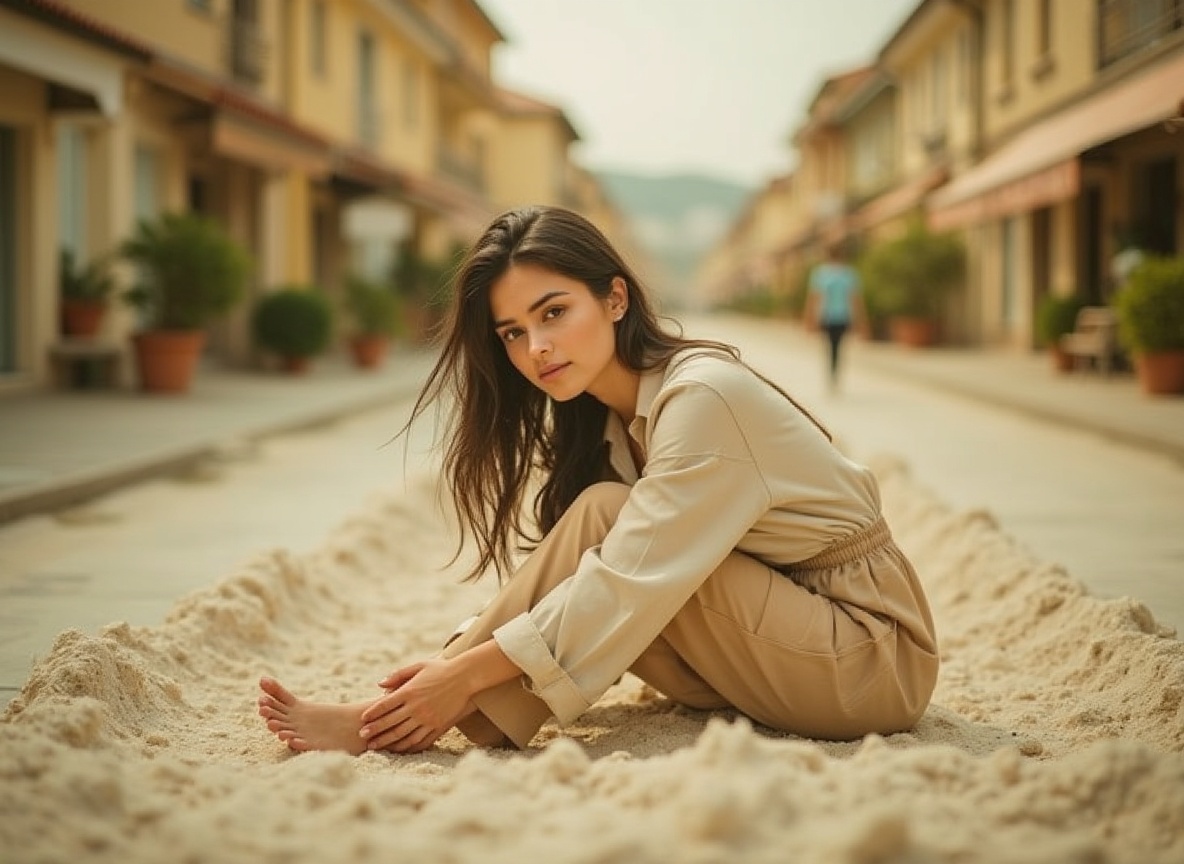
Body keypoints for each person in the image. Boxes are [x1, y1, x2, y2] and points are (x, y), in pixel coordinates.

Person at [257, 206, 938, 755]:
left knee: (613, 520)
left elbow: (627, 576)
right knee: (601, 512)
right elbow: (587, 573)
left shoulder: (703, 399)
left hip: (867, 660)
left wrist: (464, 670)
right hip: (773, 642)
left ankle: (408, 711)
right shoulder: (611, 417)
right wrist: (466, 663)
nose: (537, 348)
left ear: (615, 299)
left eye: (553, 313)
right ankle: (444, 705)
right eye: (514, 333)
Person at [805, 244, 866, 391]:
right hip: (841, 316)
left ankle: (833, 373)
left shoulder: (821, 273)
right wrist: (861, 321)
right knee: (836, 346)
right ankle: (834, 372)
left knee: (832, 346)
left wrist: (809, 318)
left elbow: (813, 298)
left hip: (828, 316)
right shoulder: (848, 274)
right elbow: (855, 299)